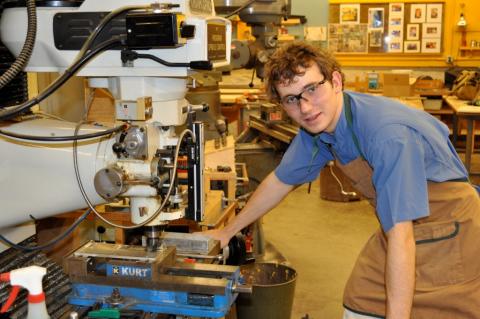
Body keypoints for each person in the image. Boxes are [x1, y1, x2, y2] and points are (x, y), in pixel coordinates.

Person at [204, 41, 480, 319]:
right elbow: (281, 180)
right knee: (360, 302)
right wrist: (229, 231)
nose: (306, 107)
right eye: (291, 99)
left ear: (336, 80)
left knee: (440, 309)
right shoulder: (321, 128)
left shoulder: (387, 135)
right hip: (400, 225)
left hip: (447, 228)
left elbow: (401, 234)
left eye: (312, 88)